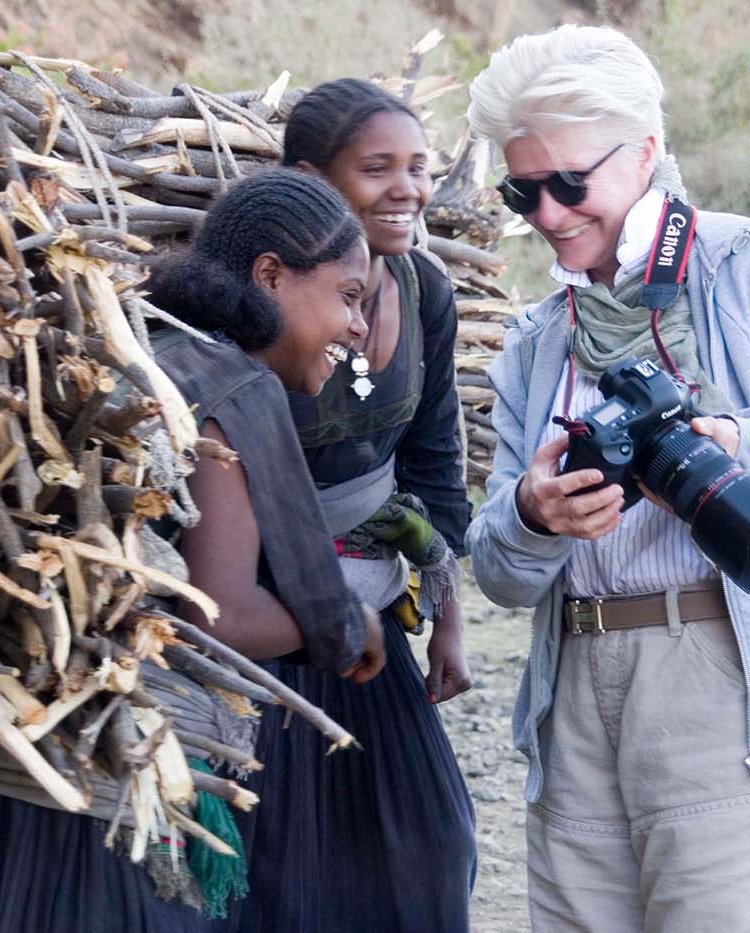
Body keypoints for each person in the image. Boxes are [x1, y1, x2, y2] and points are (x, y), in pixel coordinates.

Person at [0, 168, 383, 932]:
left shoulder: (115, 346)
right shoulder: (229, 387)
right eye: (350, 295)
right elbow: (218, 613)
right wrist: (355, 625)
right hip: (80, 807)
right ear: (270, 276)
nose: (359, 325)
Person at [464, 25, 750, 932]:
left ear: (649, 151)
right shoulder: (537, 339)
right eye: (523, 190)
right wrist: (531, 514)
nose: (547, 214)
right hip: (573, 689)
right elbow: (501, 574)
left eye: (570, 182)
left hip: (724, 676)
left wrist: (739, 442)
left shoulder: (749, 265)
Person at [223, 79, 479, 933]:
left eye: (419, 166)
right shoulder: (254, 305)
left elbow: (436, 469)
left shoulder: (424, 291)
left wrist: (443, 616)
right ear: (310, 179)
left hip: (372, 620)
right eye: (378, 169)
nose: (407, 188)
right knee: (278, 872)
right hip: (261, 616)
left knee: (425, 847)